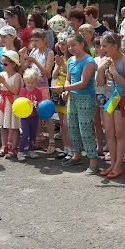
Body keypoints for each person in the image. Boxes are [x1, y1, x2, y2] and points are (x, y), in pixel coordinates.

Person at [50, 33, 99, 174]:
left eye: (73, 45)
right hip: (73, 97)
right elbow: (68, 78)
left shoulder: (89, 61)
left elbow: (83, 83)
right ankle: (77, 155)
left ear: (82, 44)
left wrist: (64, 89)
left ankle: (93, 162)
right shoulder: (71, 60)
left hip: (86, 97)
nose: (71, 48)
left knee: (85, 129)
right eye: (69, 45)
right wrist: (66, 90)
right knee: (72, 128)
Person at [96, 31, 125, 179]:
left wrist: (116, 74)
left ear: (115, 46)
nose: (102, 49)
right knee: (109, 132)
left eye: (105, 46)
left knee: (119, 134)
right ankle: (112, 164)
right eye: (101, 46)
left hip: (121, 100)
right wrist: (100, 69)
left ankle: (118, 165)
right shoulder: (104, 60)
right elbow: (100, 83)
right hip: (108, 100)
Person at [24, 28, 55, 154]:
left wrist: (35, 61)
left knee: (46, 114)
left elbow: (47, 72)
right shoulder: (33, 51)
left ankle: (52, 142)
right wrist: (23, 57)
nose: (34, 43)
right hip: (33, 87)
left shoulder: (49, 52)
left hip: (43, 87)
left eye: (36, 40)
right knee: (35, 114)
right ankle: (37, 139)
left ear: (44, 40)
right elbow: (25, 67)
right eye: (32, 40)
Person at [0, 50, 22, 159]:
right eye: (1, 64)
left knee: (14, 126)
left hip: (12, 102)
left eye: (5, 64)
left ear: (14, 64)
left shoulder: (17, 76)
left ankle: (14, 147)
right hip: (2, 101)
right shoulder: (1, 74)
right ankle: (4, 145)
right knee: (3, 126)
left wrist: (4, 82)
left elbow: (15, 91)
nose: (3, 66)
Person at [52, 32, 73, 159]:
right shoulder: (59, 58)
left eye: (64, 43)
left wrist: (62, 64)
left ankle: (71, 150)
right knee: (61, 123)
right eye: (60, 44)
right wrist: (58, 65)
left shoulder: (72, 59)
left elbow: (71, 74)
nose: (62, 46)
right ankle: (66, 149)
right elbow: (54, 76)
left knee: (67, 124)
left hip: (67, 91)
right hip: (58, 91)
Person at [17, 68, 43, 161]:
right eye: (28, 82)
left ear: (36, 81)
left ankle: (31, 150)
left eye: (33, 82)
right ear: (25, 81)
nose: (31, 84)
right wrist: (29, 103)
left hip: (34, 116)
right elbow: (21, 103)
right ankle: (20, 151)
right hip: (25, 116)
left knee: (33, 134)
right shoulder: (23, 91)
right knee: (25, 134)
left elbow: (40, 103)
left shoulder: (38, 91)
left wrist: (37, 104)